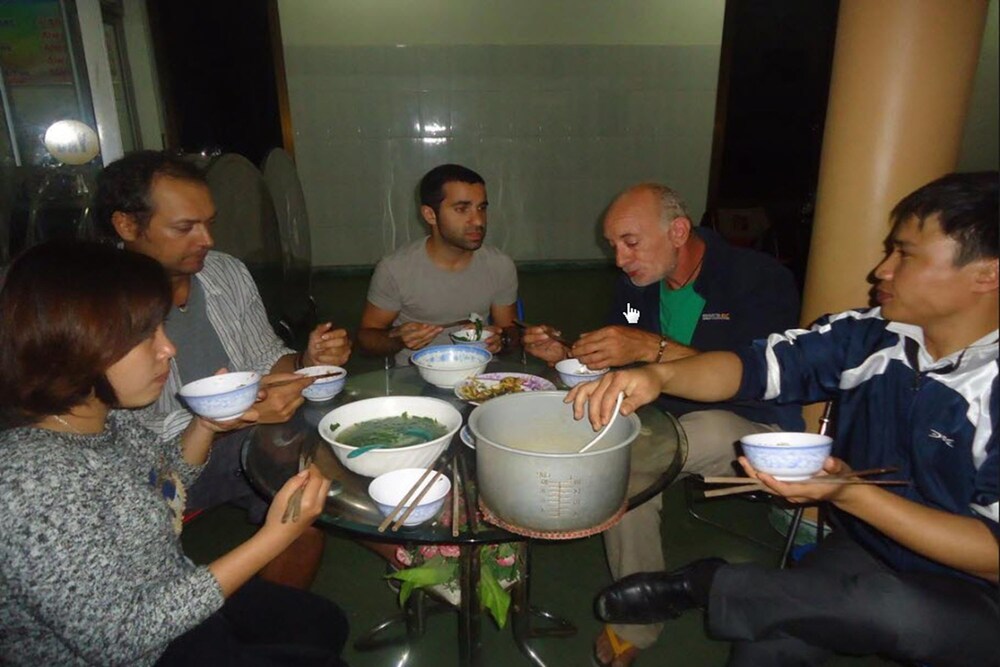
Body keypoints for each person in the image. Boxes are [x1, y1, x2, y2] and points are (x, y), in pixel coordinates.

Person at [569, 172, 999, 667]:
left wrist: (851, 494)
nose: (881, 270)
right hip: (869, 545)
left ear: (986, 273)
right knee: (767, 641)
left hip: (974, 587)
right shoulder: (866, 337)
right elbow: (753, 367)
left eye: (904, 254)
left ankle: (709, 584)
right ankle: (728, 594)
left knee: (891, 608)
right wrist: (657, 375)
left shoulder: (753, 276)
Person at [0, 241, 348, 666]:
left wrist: (206, 426)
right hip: (141, 650)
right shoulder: (30, 483)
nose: (168, 349)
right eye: (145, 336)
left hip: (169, 595)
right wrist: (274, 537)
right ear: (71, 344)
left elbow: (165, 483)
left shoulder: (103, 419)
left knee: (324, 623)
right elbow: (120, 638)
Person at [524, 183, 802, 666]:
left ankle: (634, 623)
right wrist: (568, 354)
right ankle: (640, 610)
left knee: (677, 438)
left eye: (630, 242)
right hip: (671, 421)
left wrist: (648, 347)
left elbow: (755, 380)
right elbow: (625, 349)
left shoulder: (756, 278)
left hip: (754, 426)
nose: (620, 259)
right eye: (613, 245)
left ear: (677, 231)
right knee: (620, 461)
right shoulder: (638, 289)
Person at [95, 150, 351, 589]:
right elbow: (118, 435)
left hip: (238, 439)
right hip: (154, 468)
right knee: (306, 459)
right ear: (127, 225)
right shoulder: (96, 303)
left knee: (330, 428)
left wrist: (308, 362)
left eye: (209, 223)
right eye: (185, 228)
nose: (207, 239)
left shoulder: (224, 272)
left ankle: (413, 553)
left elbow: (265, 358)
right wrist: (234, 416)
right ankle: (419, 552)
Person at [358, 163, 518, 365]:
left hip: (481, 373)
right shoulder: (395, 269)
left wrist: (501, 340)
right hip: (415, 374)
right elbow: (366, 339)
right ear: (430, 215)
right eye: (462, 209)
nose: (478, 221)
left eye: (481, 208)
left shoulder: (499, 265)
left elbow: (511, 331)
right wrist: (397, 338)